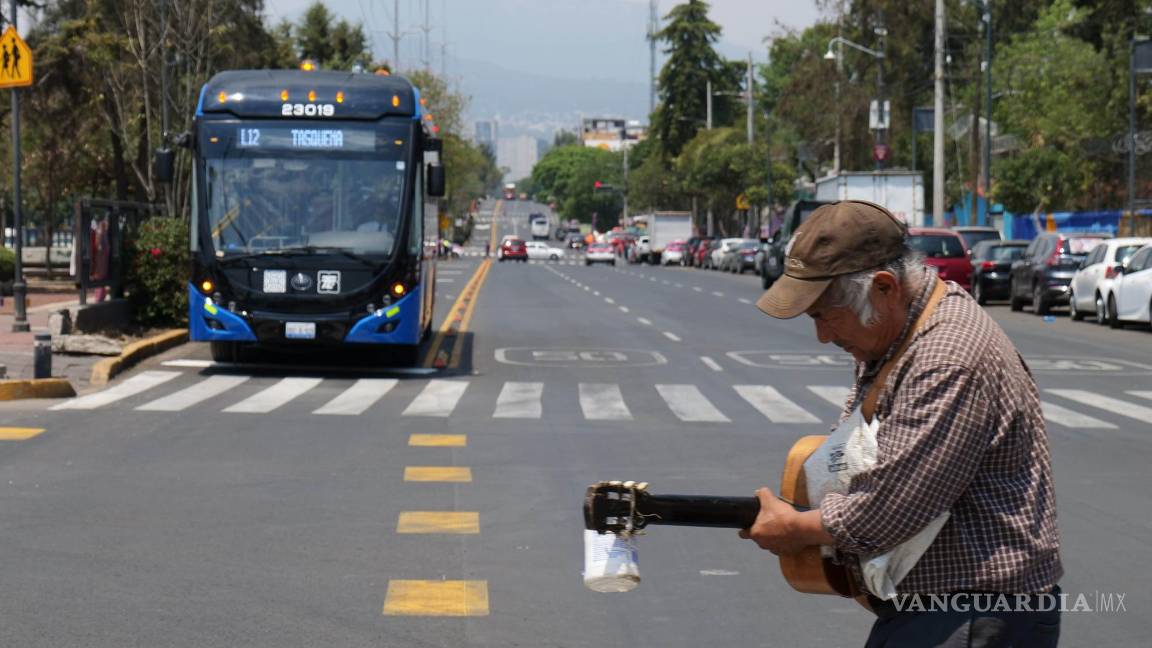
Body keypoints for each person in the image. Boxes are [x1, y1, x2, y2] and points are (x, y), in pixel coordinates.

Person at [740, 201, 1062, 647]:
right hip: (945, 609)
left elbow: (886, 510)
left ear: (885, 287)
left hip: (973, 612)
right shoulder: (900, 330)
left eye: (823, 315)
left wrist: (795, 530)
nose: (822, 336)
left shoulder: (946, 356)